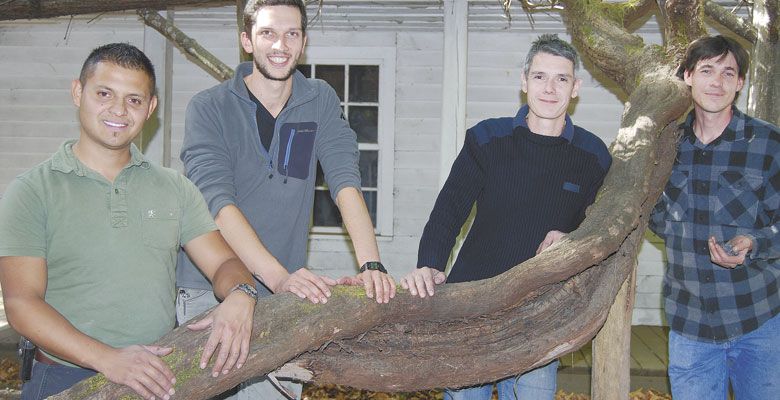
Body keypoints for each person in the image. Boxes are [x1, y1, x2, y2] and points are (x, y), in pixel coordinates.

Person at [0, 43, 258, 400]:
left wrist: (241, 294)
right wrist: (108, 359)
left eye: (134, 100)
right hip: (63, 380)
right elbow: (21, 303)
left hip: (156, 376)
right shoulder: (32, 191)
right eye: (104, 93)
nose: (118, 110)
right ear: (78, 92)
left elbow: (225, 263)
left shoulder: (175, 188)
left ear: (151, 108)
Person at [176, 0, 396, 398]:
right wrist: (279, 278)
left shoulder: (320, 100)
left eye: (292, 34)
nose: (281, 44)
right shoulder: (209, 108)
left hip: (283, 296)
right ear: (246, 40)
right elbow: (218, 204)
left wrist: (371, 264)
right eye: (268, 33)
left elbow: (345, 180)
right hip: (210, 289)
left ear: (304, 42)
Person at [400, 34, 611, 400]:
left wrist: (572, 240)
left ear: (575, 88)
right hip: (472, 304)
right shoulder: (487, 138)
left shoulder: (593, 155)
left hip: (542, 311)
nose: (550, 88)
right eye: (540, 76)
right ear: (524, 81)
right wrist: (429, 263)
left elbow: (602, 226)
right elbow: (449, 210)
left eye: (561, 79)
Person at [649, 35, 780, 399]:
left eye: (728, 72)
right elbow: (654, 217)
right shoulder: (666, 147)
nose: (716, 82)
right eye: (706, 70)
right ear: (688, 76)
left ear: (740, 83)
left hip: (759, 322)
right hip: (689, 325)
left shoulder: (768, 144)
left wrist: (755, 241)